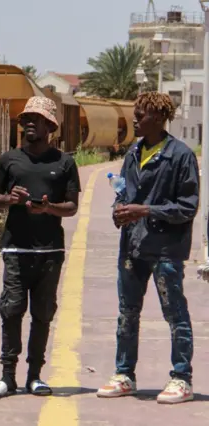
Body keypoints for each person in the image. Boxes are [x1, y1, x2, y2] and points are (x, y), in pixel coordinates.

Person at [97, 92, 199, 404]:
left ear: (157, 117)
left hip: (165, 249)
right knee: (127, 313)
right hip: (133, 246)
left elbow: (188, 206)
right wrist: (120, 209)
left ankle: (181, 378)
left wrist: (144, 210)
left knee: (175, 313)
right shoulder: (133, 153)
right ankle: (125, 373)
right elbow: (125, 191)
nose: (135, 121)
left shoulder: (180, 156)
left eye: (140, 116)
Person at [0, 96, 81, 399]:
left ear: (49, 126)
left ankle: (35, 376)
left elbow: (72, 207)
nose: (28, 123)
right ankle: (7, 377)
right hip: (16, 249)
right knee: (11, 310)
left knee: (42, 314)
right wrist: (9, 200)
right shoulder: (10, 159)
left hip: (50, 252)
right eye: (26, 119)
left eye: (35, 119)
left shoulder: (64, 162)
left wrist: (49, 208)